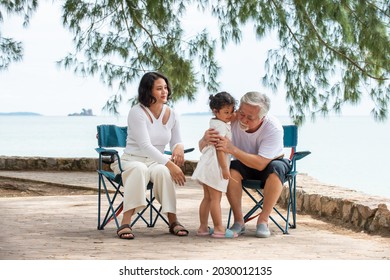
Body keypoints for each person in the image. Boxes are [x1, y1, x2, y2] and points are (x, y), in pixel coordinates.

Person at [199, 91, 291, 238]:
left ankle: (263, 220)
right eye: (241, 113)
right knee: (232, 171)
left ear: (262, 117)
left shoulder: (273, 128)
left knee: (276, 170)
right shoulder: (230, 118)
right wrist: (204, 139)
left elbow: (261, 164)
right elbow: (204, 146)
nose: (243, 119)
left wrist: (232, 149)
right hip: (243, 163)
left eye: (250, 117)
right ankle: (238, 221)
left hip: (269, 162)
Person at [111, 71, 189, 239]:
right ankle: (125, 222)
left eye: (166, 88)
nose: (165, 92)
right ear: (148, 91)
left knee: (162, 171)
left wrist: (179, 147)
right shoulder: (136, 112)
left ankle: (173, 220)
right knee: (140, 169)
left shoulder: (172, 114)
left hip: (155, 163)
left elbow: (176, 140)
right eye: (159, 88)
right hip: (131, 160)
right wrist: (171, 165)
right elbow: (145, 146)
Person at [191, 92, 238, 238]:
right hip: (216, 165)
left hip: (207, 163)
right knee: (216, 198)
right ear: (215, 111)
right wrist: (224, 168)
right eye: (226, 112)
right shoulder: (222, 126)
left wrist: (233, 115)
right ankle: (219, 228)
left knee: (208, 197)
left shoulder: (216, 122)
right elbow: (220, 148)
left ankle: (203, 227)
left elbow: (233, 117)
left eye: (231, 112)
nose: (229, 115)